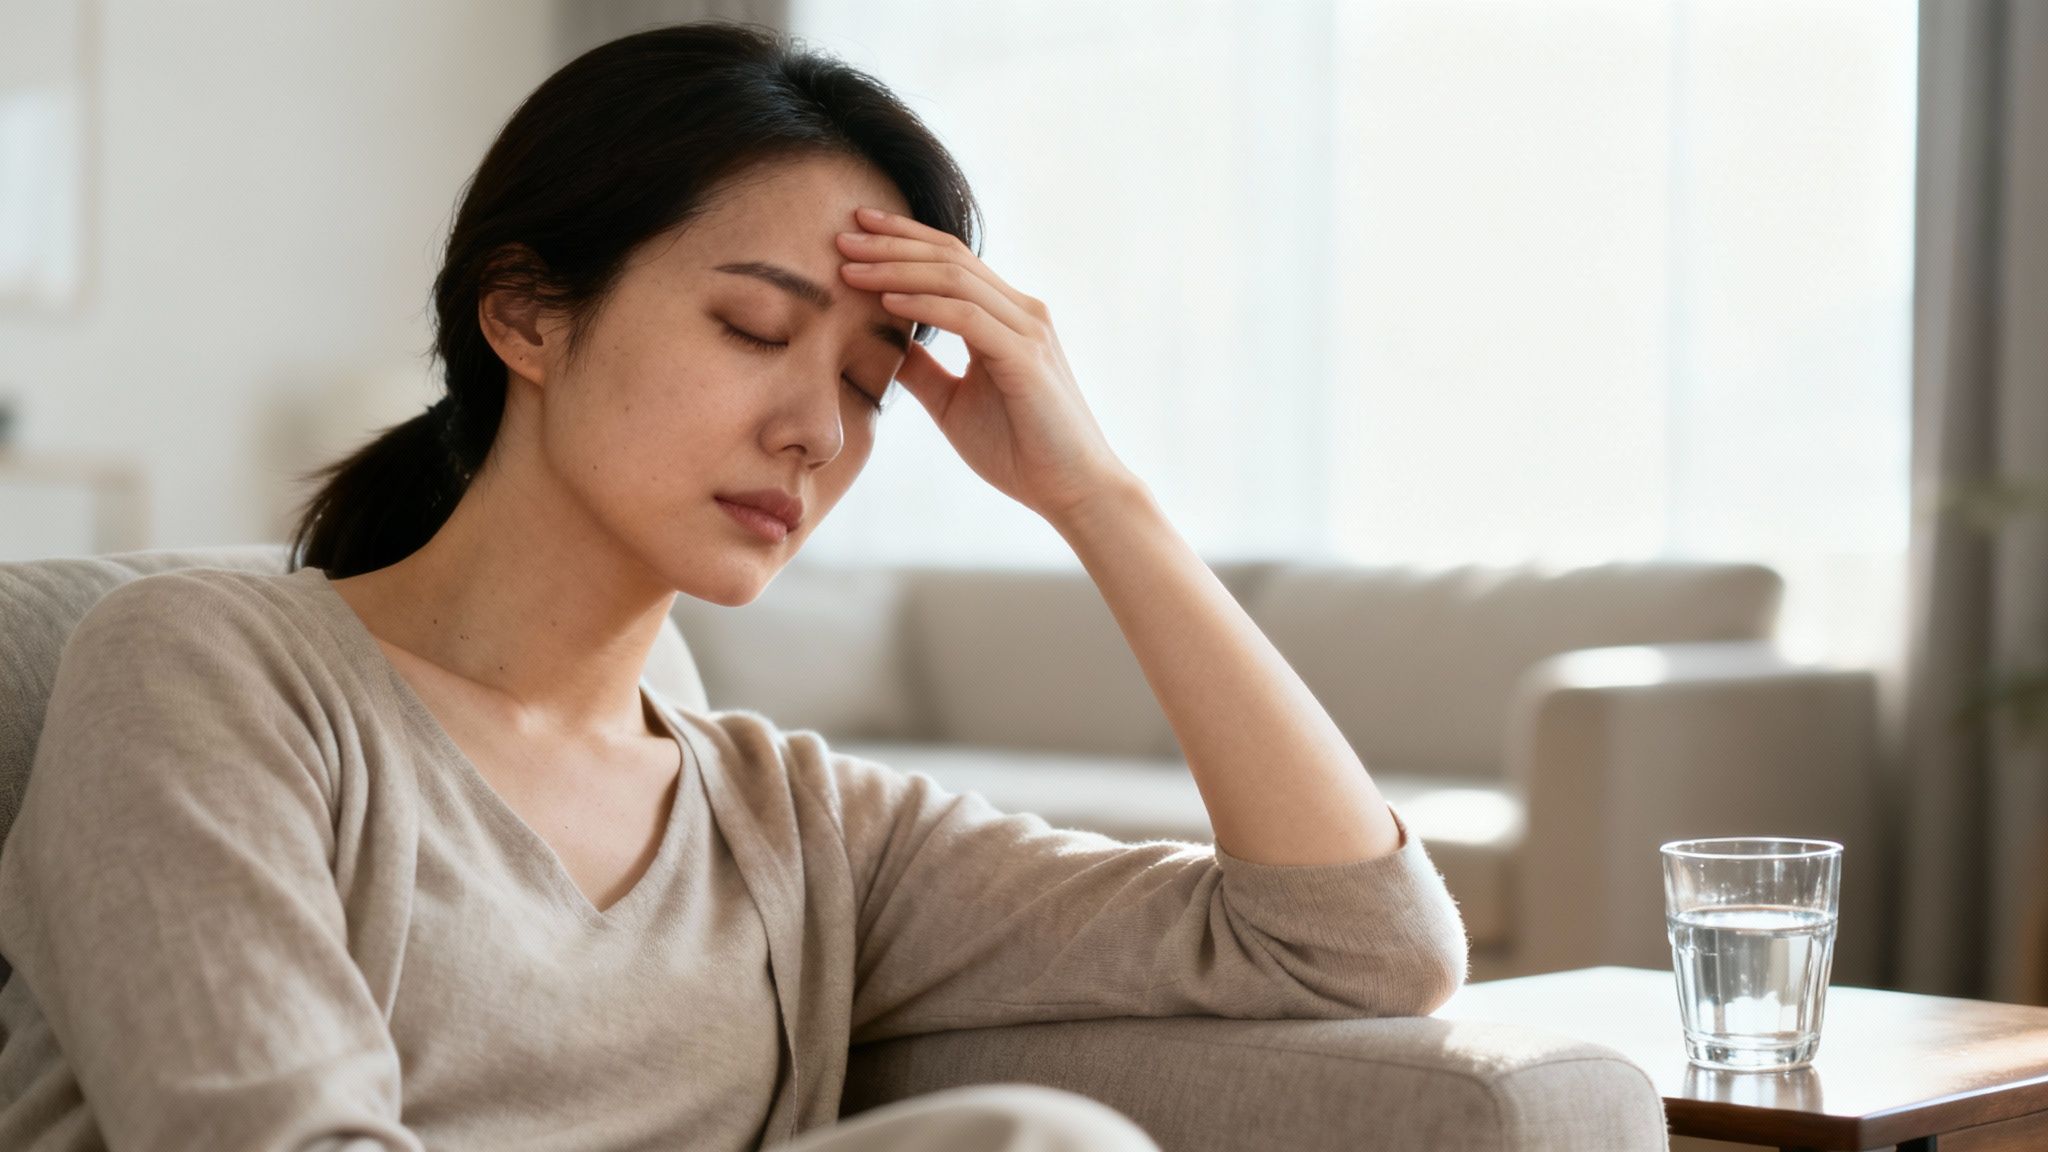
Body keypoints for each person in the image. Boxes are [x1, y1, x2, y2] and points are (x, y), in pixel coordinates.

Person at [0, 21, 1470, 1152]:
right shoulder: (204, 670)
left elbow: (1363, 946)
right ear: (522, 311)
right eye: (754, 328)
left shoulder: (803, 832)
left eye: (866, 385)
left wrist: (1097, 498)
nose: (817, 432)